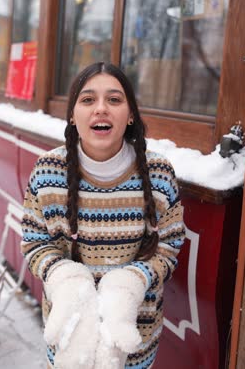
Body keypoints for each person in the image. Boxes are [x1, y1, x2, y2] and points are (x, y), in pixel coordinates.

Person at [21, 61, 185, 369]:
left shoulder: (158, 173)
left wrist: (132, 281)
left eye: (114, 99)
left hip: (134, 339)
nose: (101, 109)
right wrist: (65, 280)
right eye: (87, 99)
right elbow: (34, 242)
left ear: (131, 114)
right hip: (70, 341)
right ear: (72, 115)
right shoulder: (47, 171)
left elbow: (170, 245)